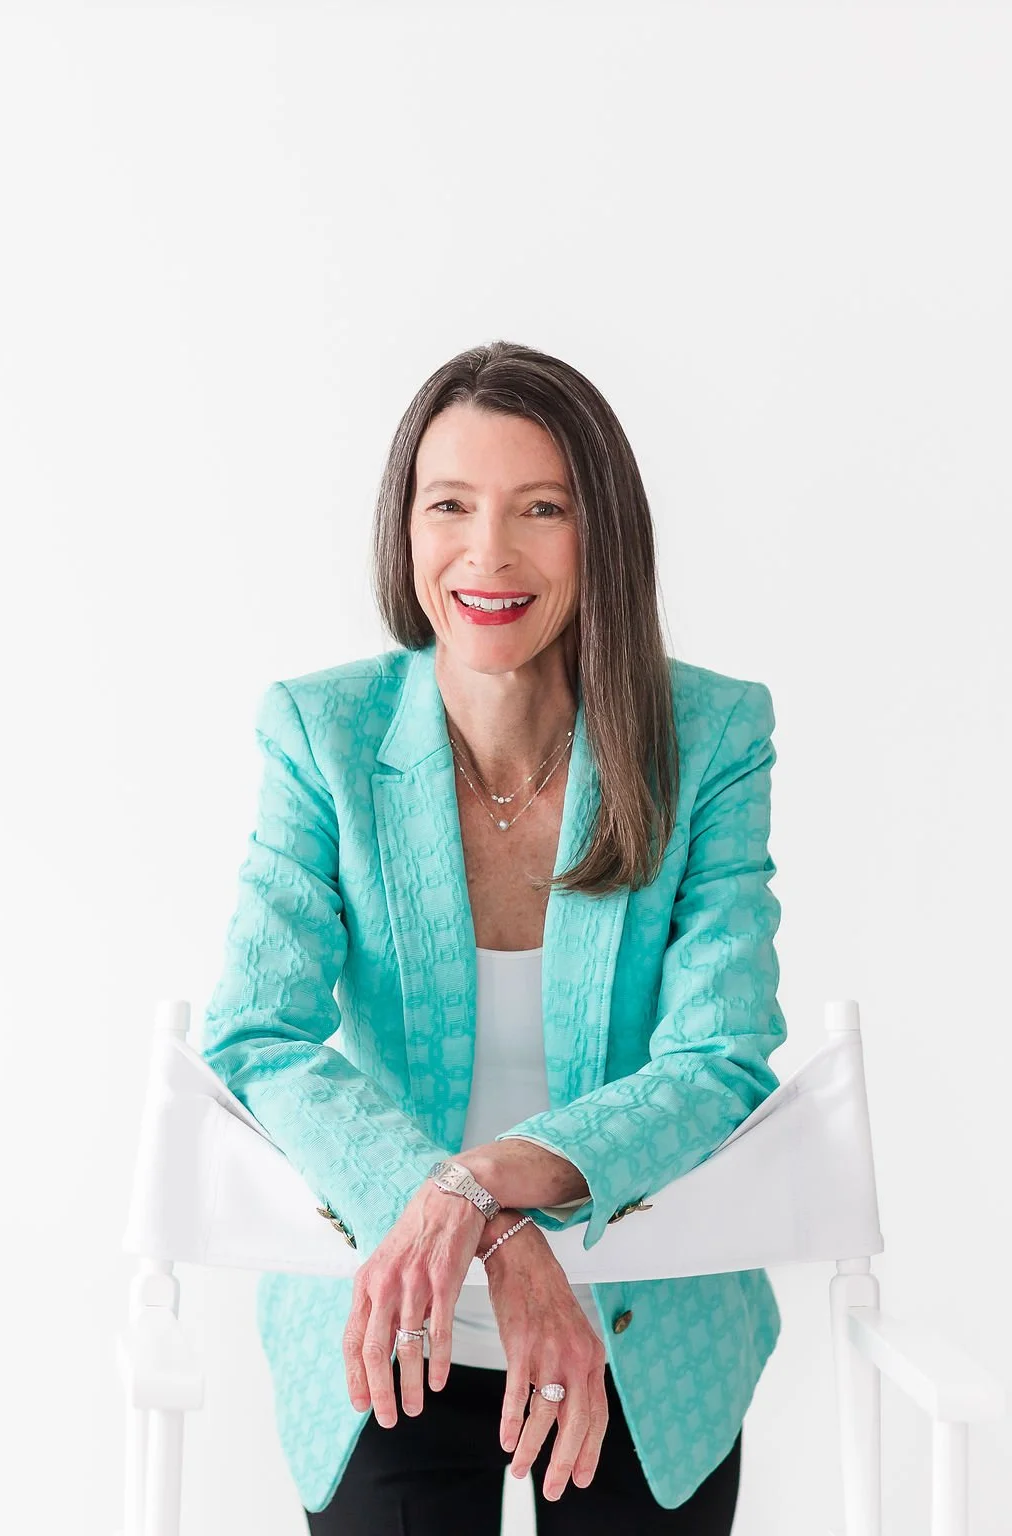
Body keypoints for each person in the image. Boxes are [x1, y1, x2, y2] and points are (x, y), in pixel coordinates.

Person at [201, 340, 787, 1533]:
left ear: (600, 534)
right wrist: (480, 1224)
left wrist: (480, 1184)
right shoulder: (321, 734)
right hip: (393, 1327)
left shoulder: (710, 734)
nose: (488, 553)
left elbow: (719, 1058)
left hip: (646, 1335)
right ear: (402, 529)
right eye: (449, 506)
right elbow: (256, 1035)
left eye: (541, 509)